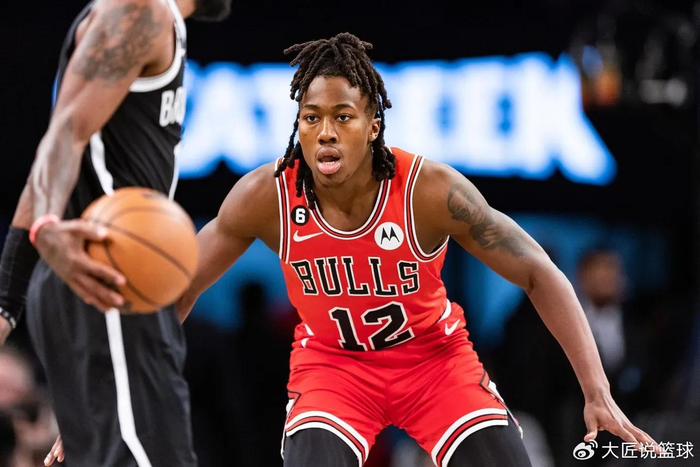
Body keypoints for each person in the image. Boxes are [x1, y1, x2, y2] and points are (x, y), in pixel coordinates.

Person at [175, 32, 659, 466]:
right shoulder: (267, 195)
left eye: (342, 116)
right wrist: (139, 369)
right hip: (333, 365)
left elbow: (538, 271)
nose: (325, 132)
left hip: (433, 361)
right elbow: (181, 284)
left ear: (373, 126)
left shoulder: (428, 190)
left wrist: (597, 390)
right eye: (311, 117)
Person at [0, 0, 232, 465]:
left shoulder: (153, 21)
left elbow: (56, 150)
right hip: (107, 277)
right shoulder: (142, 11)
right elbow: (64, 133)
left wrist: (7, 303)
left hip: (103, 284)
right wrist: (46, 227)